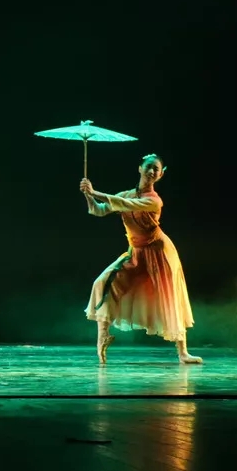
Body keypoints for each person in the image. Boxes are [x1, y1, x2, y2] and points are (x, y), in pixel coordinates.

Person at [82, 153, 202, 364]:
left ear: (161, 175)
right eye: (149, 166)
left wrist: (96, 192)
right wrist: (88, 194)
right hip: (136, 252)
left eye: (156, 169)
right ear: (140, 168)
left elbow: (124, 204)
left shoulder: (154, 201)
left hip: (159, 253)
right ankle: (102, 337)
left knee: (170, 297)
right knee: (103, 283)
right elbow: (98, 210)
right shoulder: (126, 194)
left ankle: (183, 352)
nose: (152, 171)